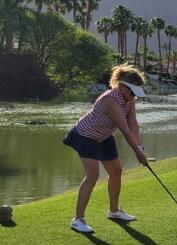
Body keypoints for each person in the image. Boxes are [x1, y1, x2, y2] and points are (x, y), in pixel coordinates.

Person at [63, 64, 149, 233]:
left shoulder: (129, 99)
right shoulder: (110, 98)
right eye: (132, 92)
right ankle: (78, 220)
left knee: (116, 171)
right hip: (86, 135)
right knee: (93, 175)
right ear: (123, 87)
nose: (133, 97)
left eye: (135, 94)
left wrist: (139, 147)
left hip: (103, 136)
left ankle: (114, 211)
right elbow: (124, 128)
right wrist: (138, 153)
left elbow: (132, 123)